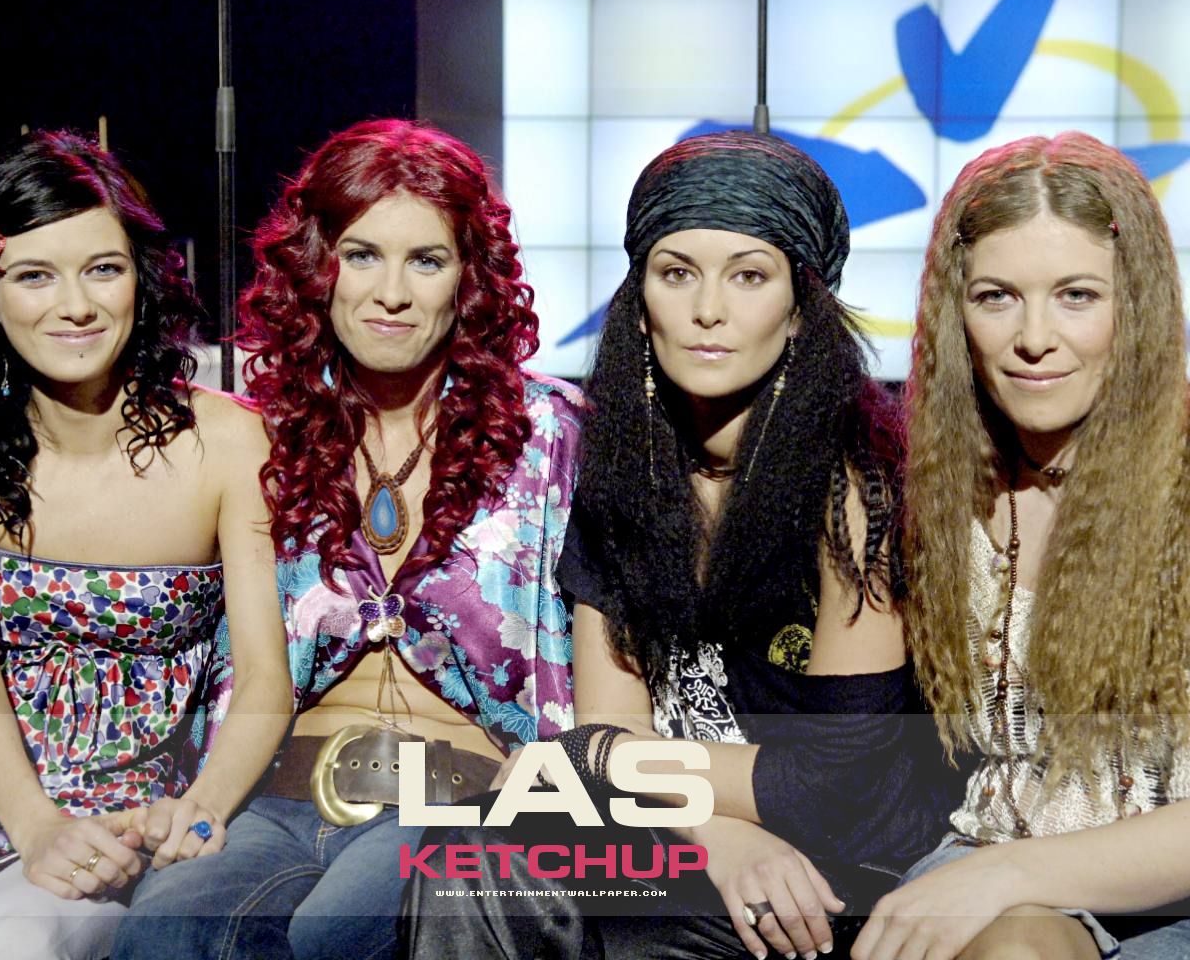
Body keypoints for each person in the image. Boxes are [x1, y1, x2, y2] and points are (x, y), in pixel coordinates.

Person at [402, 129, 956, 960]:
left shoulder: (855, 487)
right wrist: (705, 829)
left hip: (845, 864)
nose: (708, 309)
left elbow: (834, 782)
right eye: (677, 273)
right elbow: (604, 732)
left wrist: (608, 764)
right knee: (464, 850)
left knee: (634, 934)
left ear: (800, 308)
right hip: (690, 830)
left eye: (749, 276)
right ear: (641, 300)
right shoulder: (624, 474)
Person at [111, 118, 583, 960]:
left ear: (469, 280)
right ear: (316, 268)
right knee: (164, 929)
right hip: (272, 800)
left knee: (338, 935)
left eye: (426, 261)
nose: (389, 292)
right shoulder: (261, 436)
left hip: (460, 802)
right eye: (361, 255)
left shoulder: (549, 432)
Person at [0, 131, 291, 959]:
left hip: (134, 808)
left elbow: (267, 676)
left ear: (142, 280)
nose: (75, 306)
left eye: (102, 269)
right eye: (34, 276)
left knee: (9, 941)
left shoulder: (227, 441)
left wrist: (203, 808)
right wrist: (34, 825)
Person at [851, 131, 1190, 960]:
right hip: (990, 864)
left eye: (1077, 296)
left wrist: (1007, 875)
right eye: (997, 297)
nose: (1034, 337)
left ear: (1137, 305)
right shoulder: (933, 494)